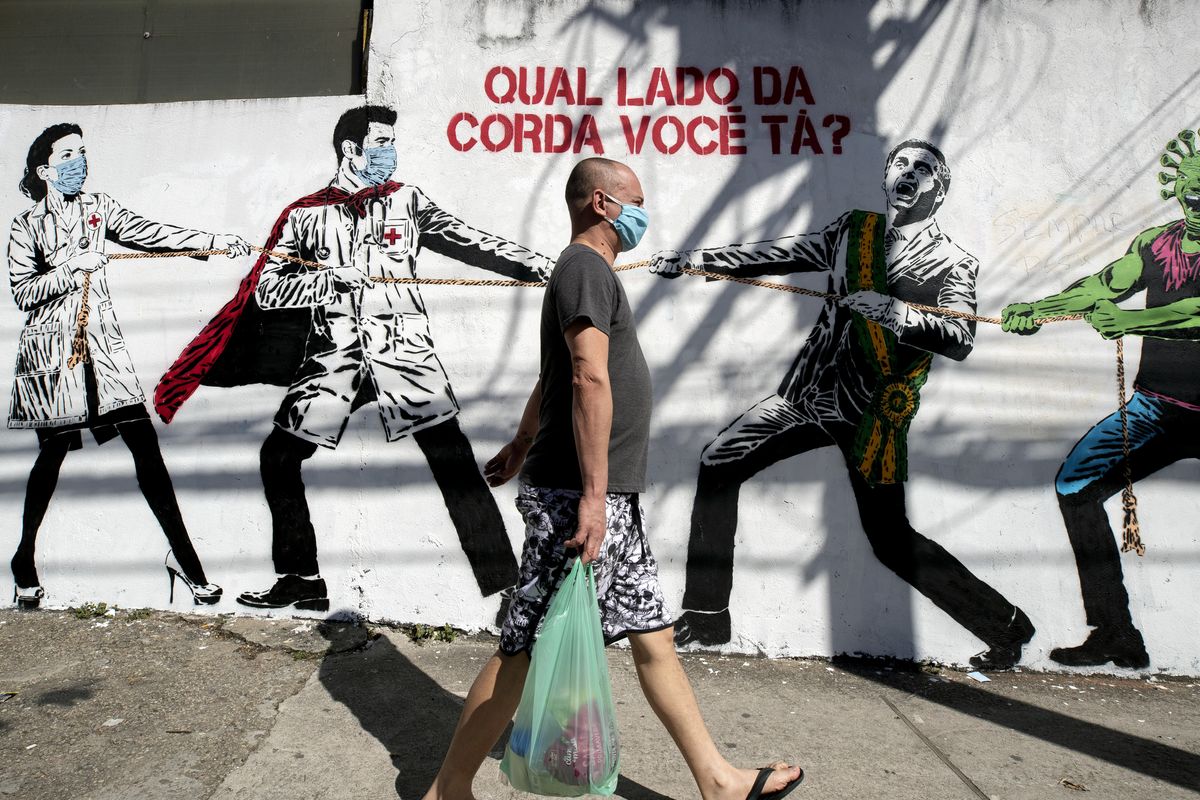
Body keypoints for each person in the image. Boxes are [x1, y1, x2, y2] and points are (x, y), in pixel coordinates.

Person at [421, 157, 804, 800]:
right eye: (636, 201)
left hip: (596, 494)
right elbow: (585, 376)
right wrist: (594, 498)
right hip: (580, 496)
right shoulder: (583, 269)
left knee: (652, 634)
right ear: (603, 203)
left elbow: (552, 373)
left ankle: (717, 780)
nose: (641, 214)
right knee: (520, 648)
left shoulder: (585, 273)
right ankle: (447, 790)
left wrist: (521, 440)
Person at [651, 140, 1034, 670]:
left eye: (925, 170)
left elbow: (960, 335)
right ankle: (708, 615)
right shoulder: (855, 231)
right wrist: (698, 261)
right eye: (901, 163)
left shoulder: (952, 262)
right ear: (885, 175)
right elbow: (779, 252)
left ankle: (1007, 625)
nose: (910, 173)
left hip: (871, 414)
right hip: (807, 394)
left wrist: (897, 313)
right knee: (719, 460)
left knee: (890, 541)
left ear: (939, 191)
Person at [154, 105, 553, 612]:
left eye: (392, 142)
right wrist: (326, 279)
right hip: (334, 360)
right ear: (352, 149)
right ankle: (302, 580)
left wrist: (543, 267)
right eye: (382, 142)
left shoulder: (407, 201)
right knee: (278, 458)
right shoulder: (304, 214)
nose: (392, 152)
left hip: (404, 356)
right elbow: (269, 289)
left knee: (452, 461)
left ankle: (505, 587)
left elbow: (469, 241)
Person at [8, 122, 250, 609]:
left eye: (83, 153)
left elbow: (150, 232)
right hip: (53, 361)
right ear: (44, 169)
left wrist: (212, 241)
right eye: (68, 155)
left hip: (104, 356)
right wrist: (71, 268)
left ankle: (186, 559)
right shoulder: (26, 225)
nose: (80, 162)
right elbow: (22, 292)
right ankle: (24, 560)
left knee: (145, 447)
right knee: (51, 457)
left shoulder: (100, 210)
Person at [999, 128, 1200, 670]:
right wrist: (1037, 311)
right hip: (1158, 407)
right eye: (1192, 188)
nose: (1198, 199)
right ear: (1177, 188)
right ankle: (1116, 632)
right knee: (1076, 485)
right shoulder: (1157, 244)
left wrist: (1134, 320)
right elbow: (1102, 288)